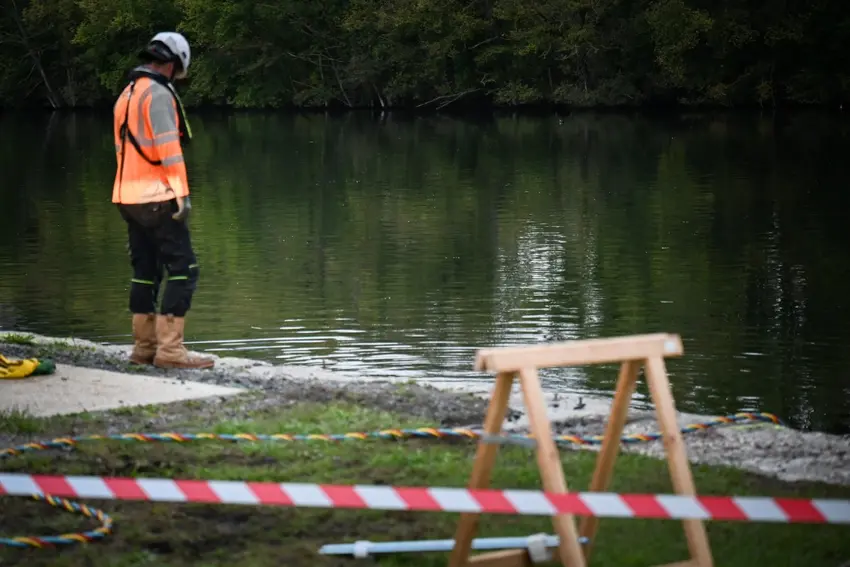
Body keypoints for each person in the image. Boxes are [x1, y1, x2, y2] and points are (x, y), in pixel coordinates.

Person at [112, 32, 214, 369]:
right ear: (171, 64)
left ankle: (144, 349)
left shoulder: (126, 94)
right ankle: (170, 352)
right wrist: (181, 195)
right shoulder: (157, 94)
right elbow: (169, 150)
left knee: (145, 271)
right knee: (184, 269)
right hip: (157, 196)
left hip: (127, 197)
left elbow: (122, 151)